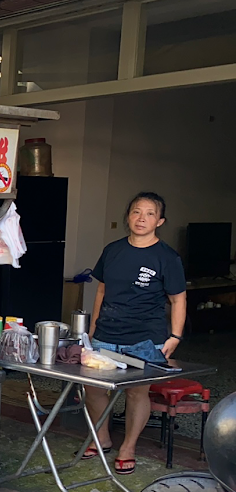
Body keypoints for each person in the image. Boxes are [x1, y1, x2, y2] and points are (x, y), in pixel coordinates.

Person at [84, 192, 187, 475]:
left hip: (144, 339)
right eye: (136, 212)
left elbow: (178, 299)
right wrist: (93, 329)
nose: (142, 218)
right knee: (92, 388)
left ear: (160, 221)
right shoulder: (113, 250)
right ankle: (102, 437)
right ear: (128, 216)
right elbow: (102, 290)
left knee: (136, 393)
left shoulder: (167, 257)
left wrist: (175, 336)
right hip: (107, 332)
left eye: (150, 213)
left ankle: (128, 446)